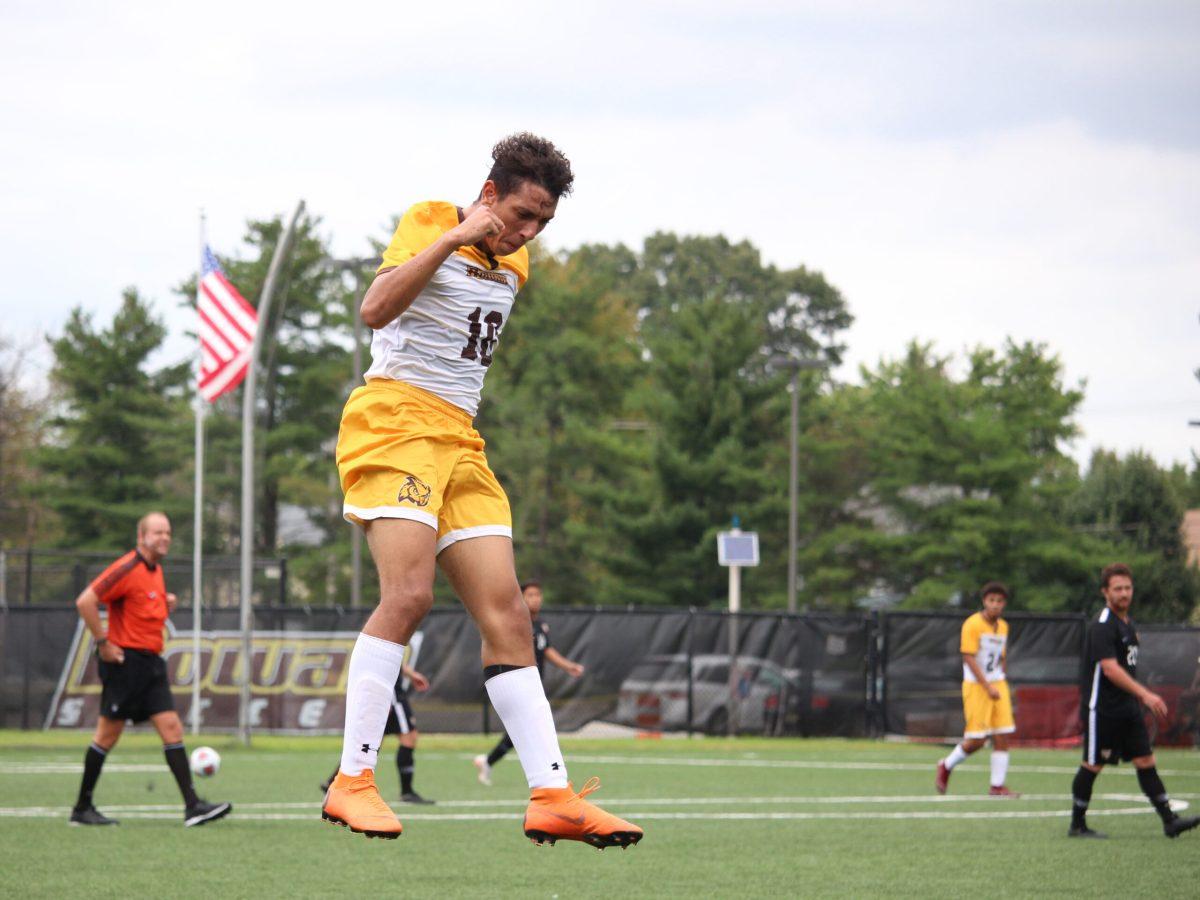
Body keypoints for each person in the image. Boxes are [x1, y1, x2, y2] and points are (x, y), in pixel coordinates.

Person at [320, 133, 642, 849]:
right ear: (490, 192)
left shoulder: (516, 262)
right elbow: (376, 309)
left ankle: (553, 795)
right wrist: (456, 236)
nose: (528, 233)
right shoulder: (433, 219)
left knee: (509, 618)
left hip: (461, 440)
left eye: (543, 224)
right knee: (408, 597)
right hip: (395, 422)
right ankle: (352, 781)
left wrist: (494, 241)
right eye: (522, 214)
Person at [69, 512, 231, 828]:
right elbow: (86, 601)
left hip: (151, 664)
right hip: (125, 664)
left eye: (167, 532)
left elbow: (140, 607)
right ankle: (82, 808)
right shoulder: (127, 567)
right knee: (107, 735)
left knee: (171, 728)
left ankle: (193, 807)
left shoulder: (154, 570)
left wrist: (164, 604)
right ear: (141, 536)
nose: (164, 538)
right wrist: (102, 642)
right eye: (157, 532)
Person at [1068, 563, 1200, 839]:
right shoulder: (1103, 625)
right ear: (1105, 592)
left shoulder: (1128, 624)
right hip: (1102, 708)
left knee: (1145, 760)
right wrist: (1145, 693)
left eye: (1127, 588)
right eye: (1117, 589)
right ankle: (1077, 824)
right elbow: (1110, 668)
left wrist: (1136, 697)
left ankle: (1169, 820)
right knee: (1093, 764)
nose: (1124, 593)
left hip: (1127, 708)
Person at [474, 581, 584, 786]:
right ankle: (550, 774)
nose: (536, 599)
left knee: (523, 729)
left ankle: (489, 762)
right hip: (519, 684)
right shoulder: (518, 622)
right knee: (529, 727)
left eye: (538, 594)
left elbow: (547, 650)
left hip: (534, 684)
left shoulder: (540, 625)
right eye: (530, 595)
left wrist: (568, 666)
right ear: (521, 598)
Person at [936, 581, 1019, 797]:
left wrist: (1001, 678)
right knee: (977, 740)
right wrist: (987, 685)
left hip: (997, 684)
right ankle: (946, 765)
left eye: (999, 601)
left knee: (1002, 735)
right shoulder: (972, 624)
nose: (995, 605)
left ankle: (997, 786)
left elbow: (1001, 657)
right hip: (977, 686)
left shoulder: (1003, 626)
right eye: (991, 600)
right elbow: (968, 656)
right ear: (984, 601)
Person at [320, 661, 434, 804]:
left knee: (372, 742)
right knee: (408, 737)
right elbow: (386, 653)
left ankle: (333, 782)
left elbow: (392, 653)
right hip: (391, 694)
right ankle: (407, 792)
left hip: (386, 690)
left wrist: (410, 674)